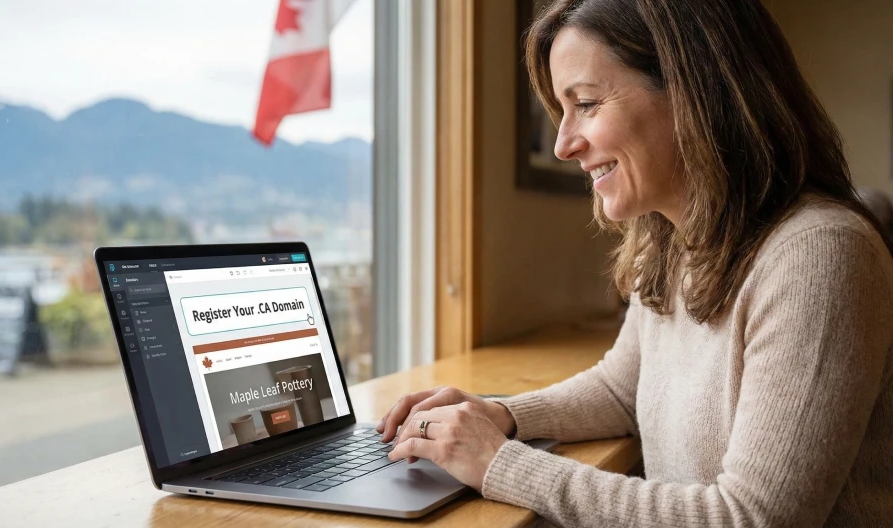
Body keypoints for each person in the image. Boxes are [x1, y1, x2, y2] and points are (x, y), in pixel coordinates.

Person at [378, 0, 893, 526]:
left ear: (695, 89)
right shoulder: (675, 241)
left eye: (587, 103)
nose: (563, 145)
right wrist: (502, 414)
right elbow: (622, 389)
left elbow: (753, 518)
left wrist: (499, 462)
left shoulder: (819, 254)